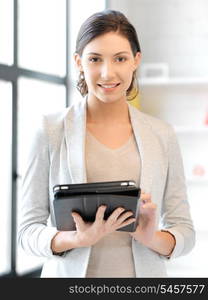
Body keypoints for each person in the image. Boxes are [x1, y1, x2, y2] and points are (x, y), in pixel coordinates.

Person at [18, 9, 195, 278]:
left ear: (136, 60)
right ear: (78, 62)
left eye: (120, 59)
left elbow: (184, 230)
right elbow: (27, 232)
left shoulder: (162, 134)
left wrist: (152, 237)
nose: (107, 73)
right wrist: (74, 239)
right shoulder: (49, 130)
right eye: (95, 59)